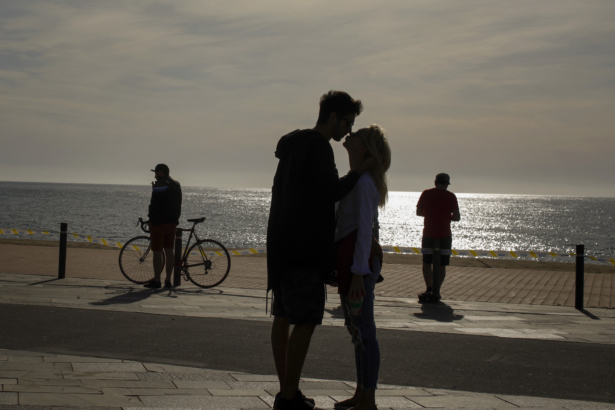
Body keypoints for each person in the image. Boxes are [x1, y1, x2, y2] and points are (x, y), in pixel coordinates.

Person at [267, 91, 370, 410]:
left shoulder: (294, 145)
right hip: (304, 250)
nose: (348, 131)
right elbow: (331, 192)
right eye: (348, 123)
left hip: (282, 247)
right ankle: (288, 399)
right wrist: (358, 172)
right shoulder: (318, 147)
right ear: (333, 117)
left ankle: (288, 391)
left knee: (283, 317)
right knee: (307, 320)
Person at [333, 125, 391, 410]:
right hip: (352, 258)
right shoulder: (359, 180)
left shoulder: (364, 183)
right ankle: (361, 393)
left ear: (362, 148)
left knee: (364, 330)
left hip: (360, 261)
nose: (350, 133)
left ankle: (369, 397)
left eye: (356, 133)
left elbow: (365, 231)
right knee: (356, 330)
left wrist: (359, 273)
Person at [416, 173, 460, 300]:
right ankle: (437, 290)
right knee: (442, 264)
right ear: (446, 184)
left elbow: (419, 212)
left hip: (429, 234)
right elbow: (457, 217)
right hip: (444, 235)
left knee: (426, 262)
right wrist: (447, 217)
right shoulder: (451, 196)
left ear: (435, 182)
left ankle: (429, 288)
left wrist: (430, 214)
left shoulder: (426, 194)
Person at [144, 164, 182, 289]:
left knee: (157, 252)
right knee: (169, 251)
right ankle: (168, 280)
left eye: (155, 172)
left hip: (159, 223)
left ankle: (157, 280)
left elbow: (154, 205)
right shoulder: (176, 184)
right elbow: (178, 204)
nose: (155, 175)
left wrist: (151, 219)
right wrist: (176, 220)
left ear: (160, 172)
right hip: (172, 223)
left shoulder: (160, 185)